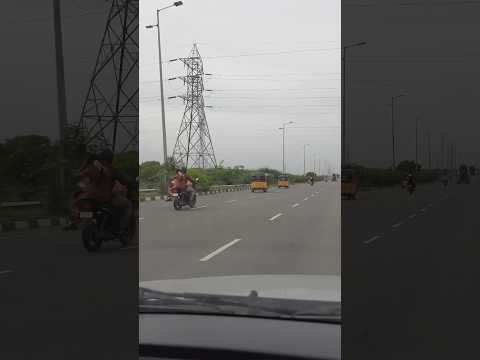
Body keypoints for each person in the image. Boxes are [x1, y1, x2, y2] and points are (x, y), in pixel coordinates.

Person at [96, 149, 134, 244]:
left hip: (94, 198)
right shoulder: (110, 169)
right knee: (128, 205)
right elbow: (123, 179)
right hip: (107, 198)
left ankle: (108, 226)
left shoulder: (95, 169)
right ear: (110, 159)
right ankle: (122, 228)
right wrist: (131, 183)